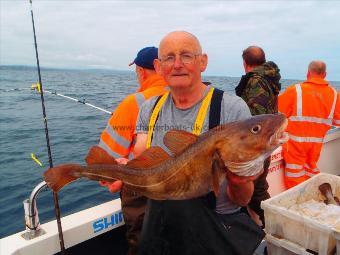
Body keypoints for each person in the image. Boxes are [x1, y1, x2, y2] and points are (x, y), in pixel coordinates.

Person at [132, 31, 264, 255]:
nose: (177, 65)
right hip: (160, 224)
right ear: (159, 65)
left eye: (186, 55)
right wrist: (124, 170)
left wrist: (238, 180)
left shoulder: (232, 108)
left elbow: (242, 199)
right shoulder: (149, 108)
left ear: (202, 61)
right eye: (169, 58)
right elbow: (141, 157)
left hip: (213, 228)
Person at [86, 46, 167, 255]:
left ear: (141, 71)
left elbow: (103, 168)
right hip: (178, 189)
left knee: (144, 246)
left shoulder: (133, 103)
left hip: (140, 193)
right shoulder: (184, 98)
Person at [235, 46, 281, 227]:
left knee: (256, 191)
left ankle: (276, 227)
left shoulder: (255, 82)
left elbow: (258, 120)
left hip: (259, 146)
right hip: (267, 142)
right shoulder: (269, 78)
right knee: (259, 188)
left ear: (244, 62)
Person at [279, 60, 340, 189]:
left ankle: (298, 201)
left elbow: (277, 114)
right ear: (324, 74)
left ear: (308, 73)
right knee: (310, 170)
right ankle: (312, 195)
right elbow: (337, 122)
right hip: (316, 144)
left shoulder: (295, 90)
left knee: (294, 175)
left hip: (295, 143)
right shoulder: (334, 95)